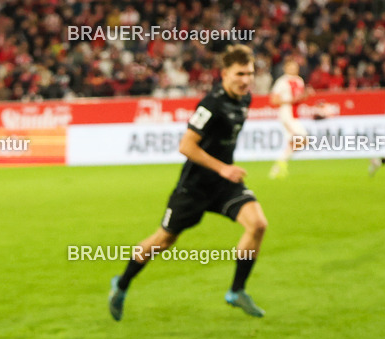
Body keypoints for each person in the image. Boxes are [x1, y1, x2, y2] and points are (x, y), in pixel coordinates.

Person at [109, 45, 268, 320]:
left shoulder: (245, 99)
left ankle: (236, 291)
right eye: (240, 73)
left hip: (223, 183)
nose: (246, 80)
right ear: (224, 74)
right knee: (164, 239)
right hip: (194, 186)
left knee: (258, 224)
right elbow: (186, 146)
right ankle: (121, 284)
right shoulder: (211, 104)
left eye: (250, 73)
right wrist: (223, 168)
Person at [269, 58, 310, 179]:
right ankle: (280, 166)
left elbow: (299, 98)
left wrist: (305, 96)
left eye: (295, 66)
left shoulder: (299, 81)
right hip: (286, 114)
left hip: (295, 115)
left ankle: (279, 166)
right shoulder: (282, 82)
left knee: (297, 142)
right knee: (300, 139)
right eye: (290, 66)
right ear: (285, 68)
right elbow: (273, 100)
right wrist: (290, 100)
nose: (293, 69)